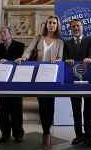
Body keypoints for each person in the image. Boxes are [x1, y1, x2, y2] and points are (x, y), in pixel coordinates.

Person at [15, 15, 64, 149]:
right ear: (46, 24)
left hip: (52, 76)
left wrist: (59, 60)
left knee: (50, 104)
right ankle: (45, 131)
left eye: (54, 23)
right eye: (50, 22)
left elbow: (60, 58)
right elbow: (28, 51)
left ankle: (47, 132)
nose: (52, 25)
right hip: (39, 75)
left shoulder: (60, 42)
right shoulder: (38, 38)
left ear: (57, 25)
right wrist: (23, 58)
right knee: (42, 104)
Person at [63, 19, 91, 147]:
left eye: (78, 26)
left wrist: (90, 58)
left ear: (83, 27)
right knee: (76, 109)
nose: (76, 28)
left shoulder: (90, 40)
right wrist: (67, 60)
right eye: (73, 26)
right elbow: (65, 57)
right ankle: (78, 135)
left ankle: (88, 136)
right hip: (73, 80)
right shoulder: (67, 43)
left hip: (88, 80)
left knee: (88, 108)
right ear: (71, 29)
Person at [0, 26, 25, 143]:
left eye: (4, 32)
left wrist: (8, 61)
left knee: (16, 109)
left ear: (11, 34)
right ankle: (5, 133)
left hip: (15, 82)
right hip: (1, 83)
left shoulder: (20, 46)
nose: (2, 34)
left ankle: (18, 133)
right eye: (0, 32)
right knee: (2, 110)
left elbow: (22, 61)